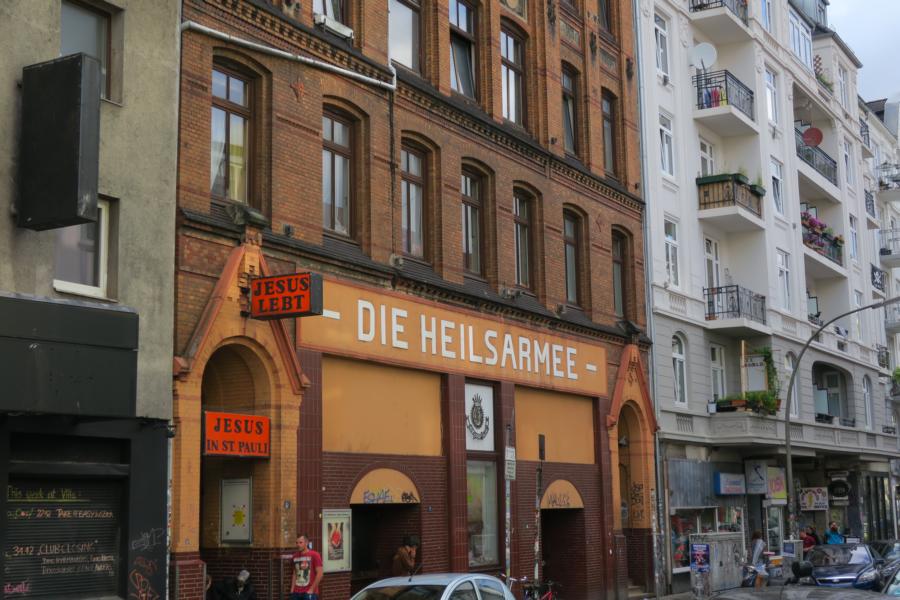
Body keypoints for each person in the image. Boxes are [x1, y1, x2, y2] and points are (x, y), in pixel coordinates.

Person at [291, 534, 323, 600]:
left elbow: (320, 574)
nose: (298, 545)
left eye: (300, 542)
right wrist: (292, 589)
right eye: (297, 543)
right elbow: (295, 573)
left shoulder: (314, 555)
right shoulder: (295, 556)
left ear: (306, 543)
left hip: (309, 592)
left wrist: (312, 589)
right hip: (296, 592)